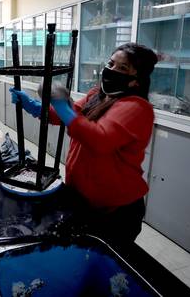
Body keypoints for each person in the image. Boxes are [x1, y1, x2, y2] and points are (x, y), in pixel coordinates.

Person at [10, 43, 158, 248]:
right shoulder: (97, 95)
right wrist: (33, 105)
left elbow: (99, 139)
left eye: (122, 68)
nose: (112, 70)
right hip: (82, 198)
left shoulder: (137, 108)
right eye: (111, 63)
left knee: (102, 269)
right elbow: (62, 116)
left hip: (115, 211)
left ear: (137, 80)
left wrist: (63, 105)